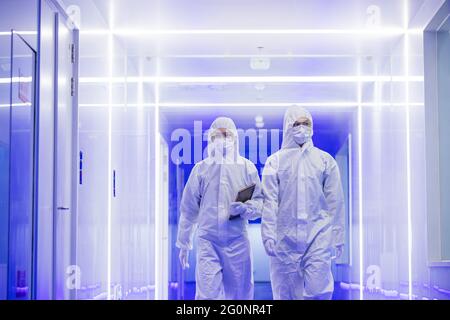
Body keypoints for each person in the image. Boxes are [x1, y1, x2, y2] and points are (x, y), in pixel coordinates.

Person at [261, 106, 345, 300]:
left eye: (305, 123)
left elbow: (335, 202)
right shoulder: (274, 162)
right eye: (296, 124)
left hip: (317, 236)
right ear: (287, 127)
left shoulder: (325, 161)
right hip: (284, 238)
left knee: (320, 290)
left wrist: (337, 237)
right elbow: (270, 202)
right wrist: (268, 235)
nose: (301, 128)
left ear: (312, 126)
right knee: (285, 293)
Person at [176, 117, 263, 300]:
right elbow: (189, 209)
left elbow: (260, 202)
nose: (223, 138)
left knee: (240, 294)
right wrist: (184, 243)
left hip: (237, 240)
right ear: (211, 138)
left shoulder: (247, 167)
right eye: (218, 135)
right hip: (209, 241)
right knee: (207, 295)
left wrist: (245, 209)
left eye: (227, 134)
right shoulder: (201, 169)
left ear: (235, 138)